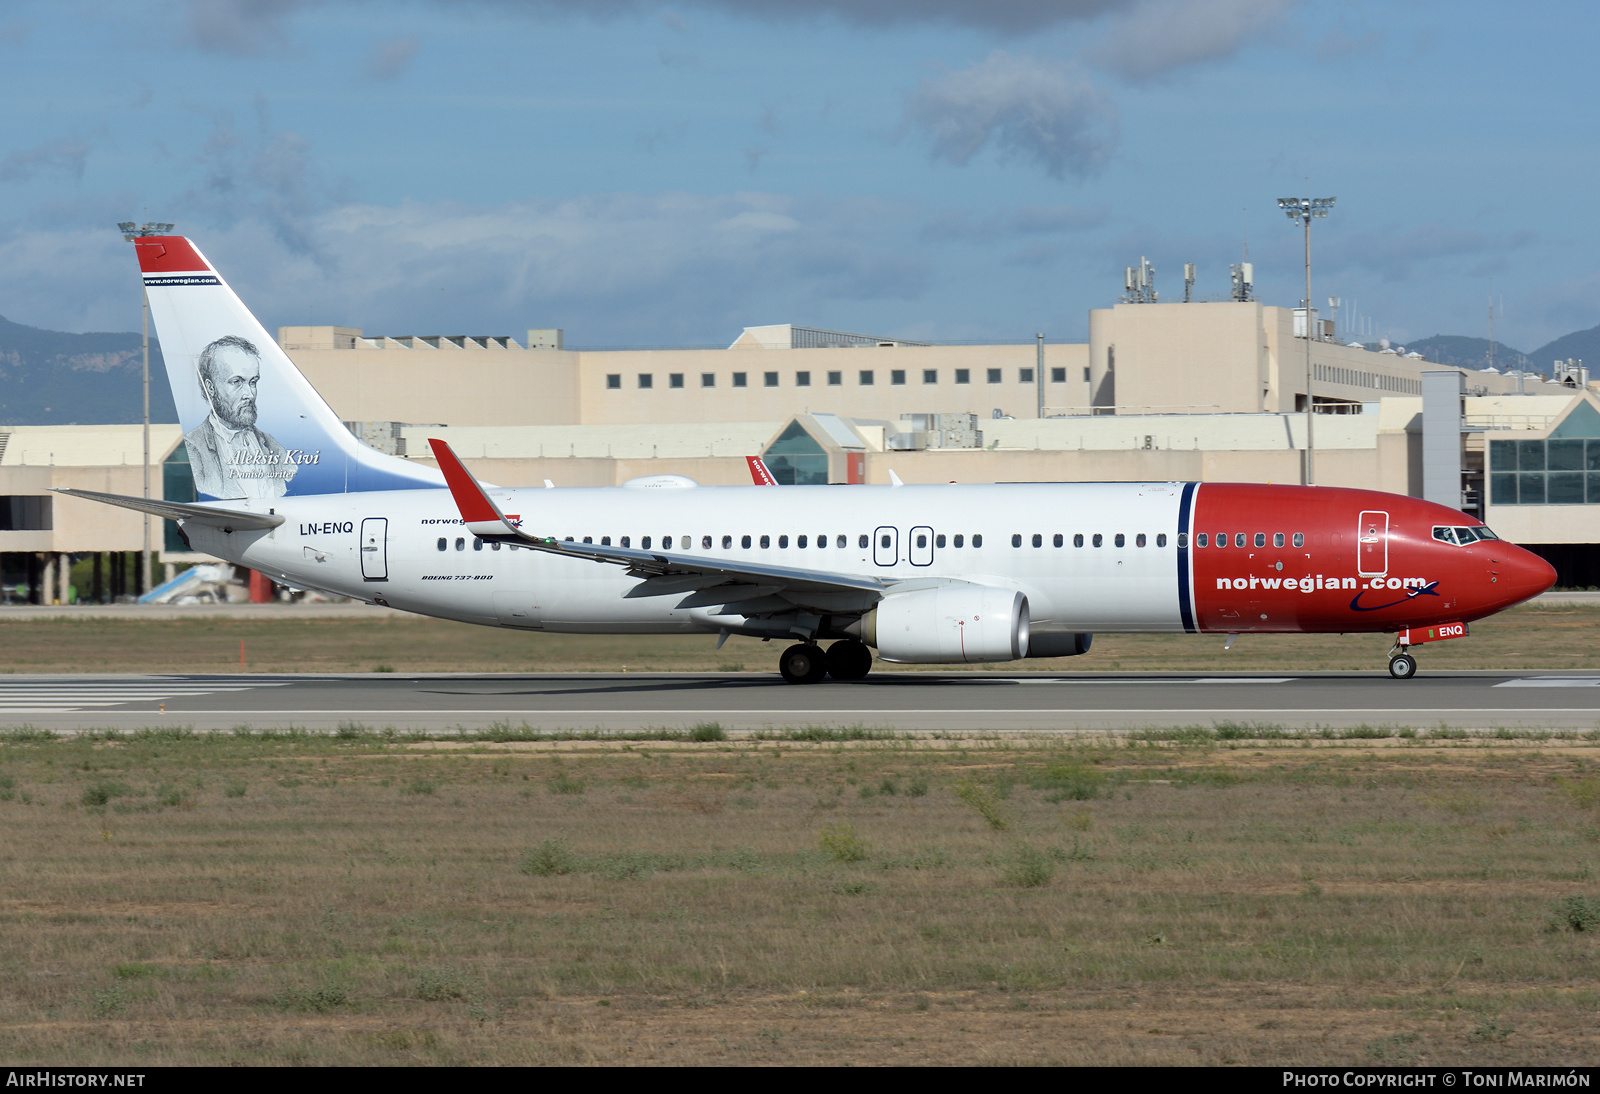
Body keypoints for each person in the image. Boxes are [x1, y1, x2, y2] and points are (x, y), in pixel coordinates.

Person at [184, 335, 295, 499]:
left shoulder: (270, 444)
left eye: (253, 382)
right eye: (236, 382)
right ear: (211, 388)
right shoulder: (194, 446)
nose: (249, 394)